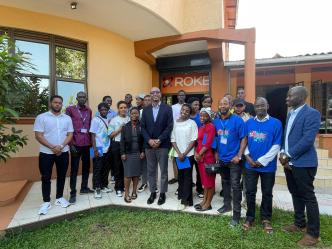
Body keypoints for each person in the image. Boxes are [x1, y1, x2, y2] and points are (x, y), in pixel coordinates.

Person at [279, 86, 321, 247]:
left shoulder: (312, 114)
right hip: (289, 163)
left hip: (304, 163)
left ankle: (313, 234)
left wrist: (289, 155)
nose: (287, 98)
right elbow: (287, 137)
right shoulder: (290, 114)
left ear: (302, 97)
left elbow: (307, 140)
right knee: (295, 193)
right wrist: (283, 152)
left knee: (308, 197)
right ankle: (299, 223)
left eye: (290, 96)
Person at [243, 97, 282, 234]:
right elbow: (244, 142)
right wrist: (248, 158)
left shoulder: (276, 123)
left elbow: (277, 145)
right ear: (254, 108)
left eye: (262, 106)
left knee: (267, 193)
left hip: (268, 166)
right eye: (257, 106)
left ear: (267, 106)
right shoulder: (248, 123)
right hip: (250, 165)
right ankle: (250, 217)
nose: (260, 108)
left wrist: (262, 161)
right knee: (250, 192)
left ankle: (266, 218)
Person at [34, 95, 73, 215]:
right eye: (55, 102)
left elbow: (70, 134)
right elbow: (38, 135)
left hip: (63, 151)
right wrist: (53, 147)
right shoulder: (41, 117)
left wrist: (60, 147)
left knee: (62, 175)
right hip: (46, 153)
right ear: (50, 103)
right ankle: (46, 202)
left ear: (62, 104)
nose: (58, 105)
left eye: (60, 103)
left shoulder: (67, 118)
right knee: (46, 177)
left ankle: (59, 198)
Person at [214, 97, 247, 226]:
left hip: (234, 160)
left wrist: (239, 155)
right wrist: (216, 152)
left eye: (225, 103)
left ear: (230, 105)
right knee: (225, 183)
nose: (222, 105)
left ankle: (236, 215)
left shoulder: (237, 121)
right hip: (222, 159)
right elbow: (216, 138)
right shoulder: (216, 121)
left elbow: (244, 138)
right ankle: (227, 205)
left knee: (235, 186)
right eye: (221, 103)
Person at [141, 87, 173, 205]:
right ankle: (153, 192)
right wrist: (149, 140)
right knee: (151, 170)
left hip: (162, 144)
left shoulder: (167, 108)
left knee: (163, 171)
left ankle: (163, 193)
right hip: (149, 146)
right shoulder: (146, 109)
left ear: (160, 94)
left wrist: (159, 139)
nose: (155, 94)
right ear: (150, 95)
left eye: (157, 92)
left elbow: (169, 126)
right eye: (152, 92)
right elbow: (142, 127)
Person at [65, 92, 93, 204]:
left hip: (87, 144)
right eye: (80, 97)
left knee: (87, 167)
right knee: (74, 169)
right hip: (75, 144)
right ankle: (72, 192)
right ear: (77, 98)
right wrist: (70, 144)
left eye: (84, 97)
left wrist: (92, 143)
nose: (82, 99)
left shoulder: (89, 111)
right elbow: (66, 127)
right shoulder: (70, 110)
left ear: (86, 98)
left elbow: (90, 126)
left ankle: (84, 187)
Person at [171, 104, 198, 210]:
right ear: (180, 110)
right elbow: (172, 139)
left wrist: (185, 153)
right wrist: (179, 153)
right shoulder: (175, 123)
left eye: (187, 111)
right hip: (178, 155)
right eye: (183, 110)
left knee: (187, 177)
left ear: (189, 113)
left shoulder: (192, 123)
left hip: (188, 155)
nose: (184, 112)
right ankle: (181, 195)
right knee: (181, 176)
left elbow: (193, 139)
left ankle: (185, 200)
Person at [194, 108, 217, 212]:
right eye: (201, 116)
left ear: (209, 117)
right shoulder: (201, 127)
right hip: (200, 158)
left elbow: (207, 143)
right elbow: (198, 142)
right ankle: (204, 201)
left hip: (207, 158)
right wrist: (196, 153)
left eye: (205, 116)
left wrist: (199, 153)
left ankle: (208, 204)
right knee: (205, 182)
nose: (202, 118)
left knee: (210, 182)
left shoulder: (211, 127)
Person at [120, 107, 145, 203]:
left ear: (139, 114)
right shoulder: (125, 127)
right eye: (132, 113)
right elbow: (122, 141)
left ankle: (134, 191)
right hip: (128, 154)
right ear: (129, 115)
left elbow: (144, 140)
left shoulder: (142, 126)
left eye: (136, 113)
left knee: (136, 174)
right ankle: (126, 193)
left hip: (138, 154)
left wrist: (142, 151)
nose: (135, 115)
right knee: (128, 175)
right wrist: (122, 153)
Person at [90, 102, 111, 199]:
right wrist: (94, 150)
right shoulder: (95, 120)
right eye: (101, 110)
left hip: (107, 148)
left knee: (106, 168)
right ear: (99, 111)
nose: (103, 111)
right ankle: (96, 188)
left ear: (108, 110)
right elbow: (92, 135)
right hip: (98, 148)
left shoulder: (108, 120)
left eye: (105, 109)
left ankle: (103, 185)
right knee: (97, 168)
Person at [233, 97, 251, 207]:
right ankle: (235, 200)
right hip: (234, 152)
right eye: (237, 106)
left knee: (246, 178)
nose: (239, 108)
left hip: (246, 152)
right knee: (234, 178)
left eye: (241, 106)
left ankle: (245, 201)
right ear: (233, 107)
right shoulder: (230, 118)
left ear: (244, 106)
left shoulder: (249, 118)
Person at [109, 101, 130, 197]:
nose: (123, 109)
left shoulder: (129, 119)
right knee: (117, 167)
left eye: (125, 107)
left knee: (125, 167)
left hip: (127, 146)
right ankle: (118, 188)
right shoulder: (114, 120)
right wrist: (120, 129)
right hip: (116, 144)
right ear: (118, 109)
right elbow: (110, 135)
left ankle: (124, 186)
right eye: (121, 107)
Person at [169, 90, 186, 185]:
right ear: (177, 96)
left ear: (185, 96)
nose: (181, 97)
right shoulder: (173, 107)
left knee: (185, 156)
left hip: (185, 134)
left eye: (183, 95)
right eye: (179, 95)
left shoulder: (187, 106)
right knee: (175, 156)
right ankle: (176, 177)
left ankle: (185, 177)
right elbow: (171, 120)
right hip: (175, 133)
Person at [188, 97, 203, 198]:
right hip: (188, 149)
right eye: (195, 105)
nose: (197, 107)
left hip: (199, 149)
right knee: (188, 170)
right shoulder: (186, 117)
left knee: (199, 170)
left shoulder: (201, 117)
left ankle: (199, 189)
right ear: (190, 105)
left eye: (198, 105)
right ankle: (187, 189)